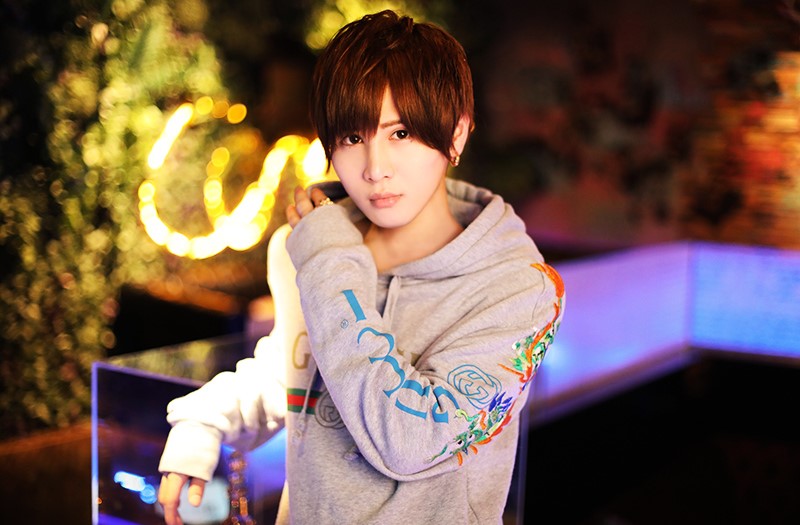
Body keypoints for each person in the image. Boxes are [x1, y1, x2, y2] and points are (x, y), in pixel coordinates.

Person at [157, 9, 565, 525]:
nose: (375, 169)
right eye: (353, 137)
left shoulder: (519, 289)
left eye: (401, 133)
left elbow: (413, 442)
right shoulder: (307, 250)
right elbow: (296, 372)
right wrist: (204, 423)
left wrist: (328, 264)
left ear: (457, 134)